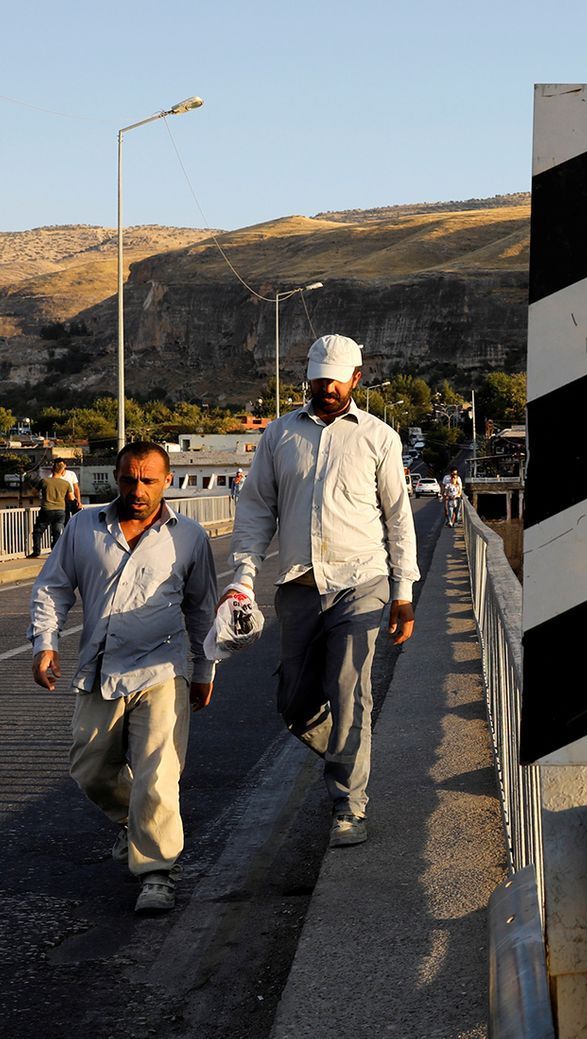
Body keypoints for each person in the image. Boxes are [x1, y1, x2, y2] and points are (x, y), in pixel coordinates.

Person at [228, 334, 418, 849]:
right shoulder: (278, 437)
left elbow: (399, 519)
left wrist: (402, 591)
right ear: (307, 378)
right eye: (318, 377)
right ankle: (346, 753)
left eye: (336, 378)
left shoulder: (379, 437)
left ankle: (348, 805)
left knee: (350, 689)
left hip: (362, 582)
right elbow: (254, 513)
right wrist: (242, 580)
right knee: (295, 704)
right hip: (298, 586)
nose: (326, 387)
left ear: (357, 378)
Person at [27, 441, 218, 914]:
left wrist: (204, 668)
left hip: (162, 668)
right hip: (99, 667)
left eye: (149, 480)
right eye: (129, 479)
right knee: (89, 767)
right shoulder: (82, 526)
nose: (138, 489)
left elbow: (201, 608)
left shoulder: (189, 536)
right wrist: (45, 643)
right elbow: (53, 586)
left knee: (158, 775)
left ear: (167, 480)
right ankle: (135, 824)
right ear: (116, 477)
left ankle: (157, 872)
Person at [29, 458, 80, 558]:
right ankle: (56, 553)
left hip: (46, 509)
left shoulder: (44, 481)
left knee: (38, 531)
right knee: (57, 531)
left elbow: (34, 492)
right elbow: (71, 497)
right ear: (62, 471)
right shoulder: (66, 484)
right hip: (61, 510)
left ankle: (36, 551)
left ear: (52, 470)